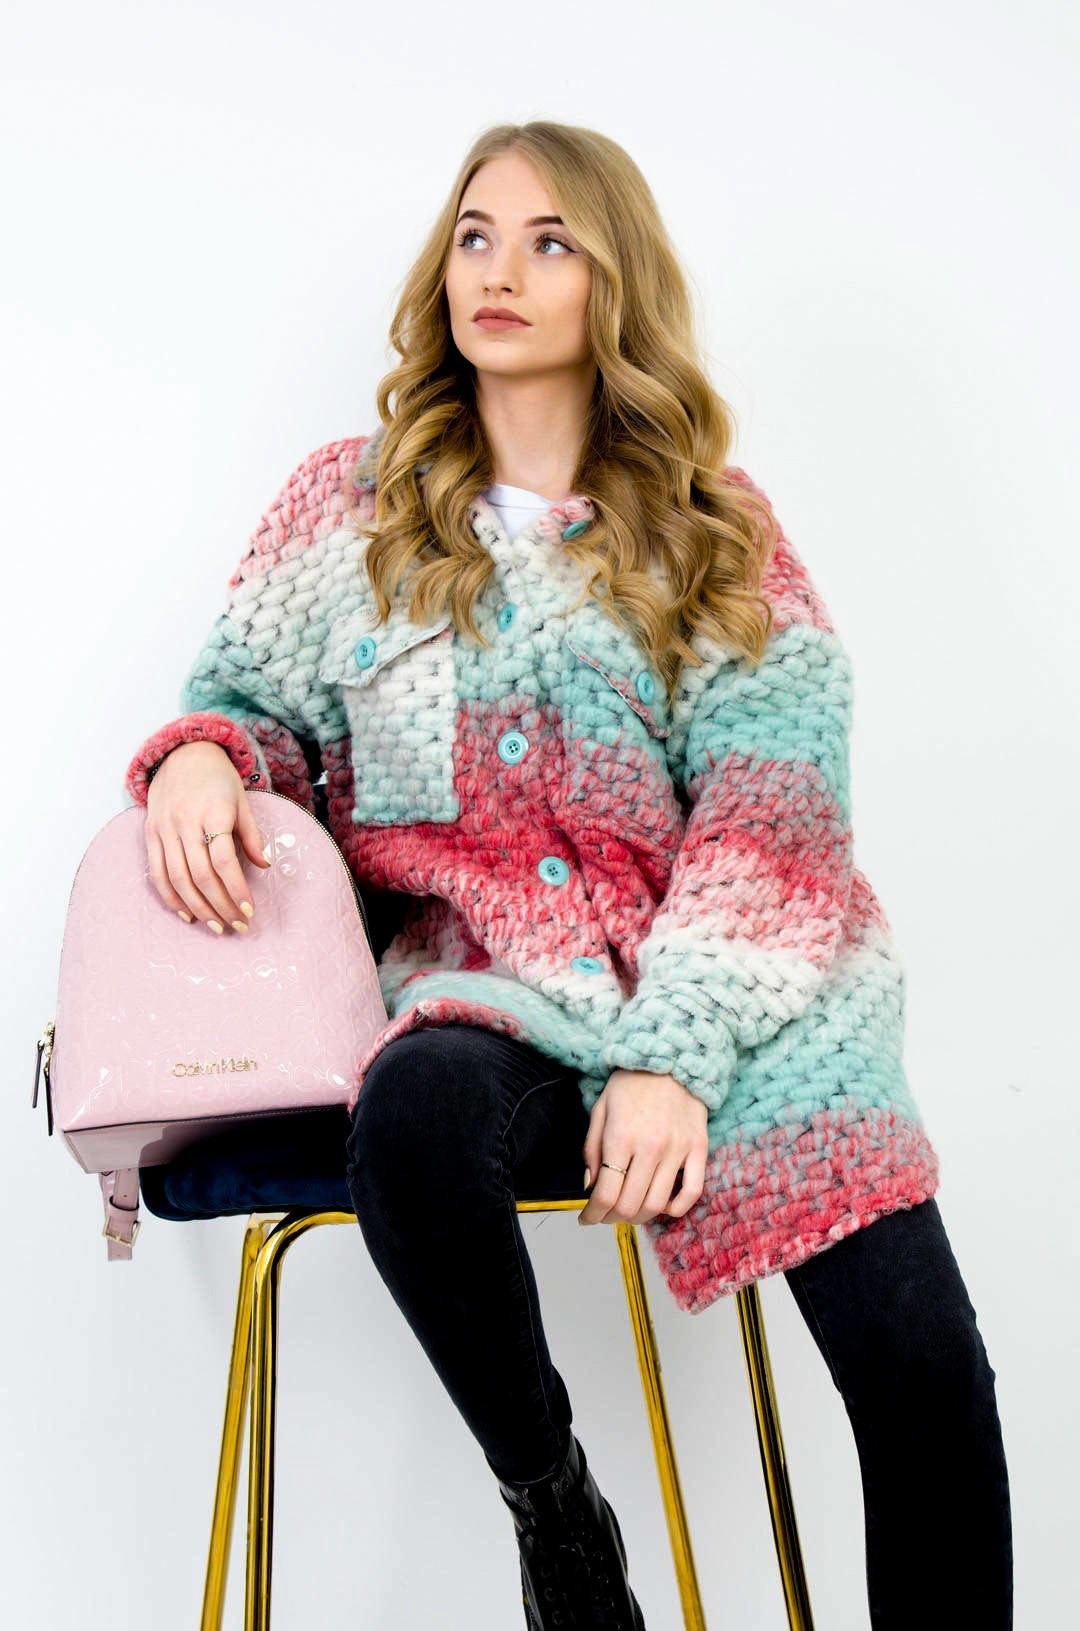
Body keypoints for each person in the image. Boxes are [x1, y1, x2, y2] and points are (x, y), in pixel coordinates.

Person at [124, 122, 1013, 1629]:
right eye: (476, 236)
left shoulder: (716, 530)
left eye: (550, 243)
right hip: (503, 986)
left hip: (749, 995)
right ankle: (557, 1515)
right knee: (414, 1110)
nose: (502, 271)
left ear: (614, 283)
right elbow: (262, 717)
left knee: (923, 1369)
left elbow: (776, 813)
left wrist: (674, 1058)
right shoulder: (348, 509)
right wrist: (205, 756)